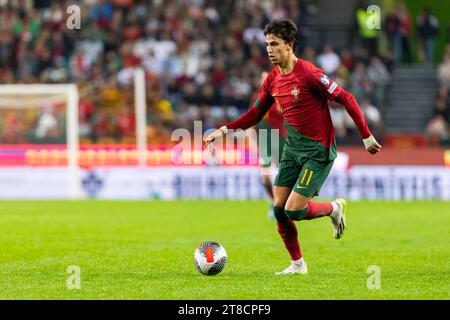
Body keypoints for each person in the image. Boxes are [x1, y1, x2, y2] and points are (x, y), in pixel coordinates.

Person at [204, 19, 381, 275]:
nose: (269, 49)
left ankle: (333, 209)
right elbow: (255, 114)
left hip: (318, 152)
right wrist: (223, 130)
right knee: (279, 210)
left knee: (293, 210)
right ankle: (297, 264)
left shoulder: (310, 74)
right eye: (266, 44)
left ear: (289, 45)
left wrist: (366, 136)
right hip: (292, 150)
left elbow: (346, 98)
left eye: (274, 44)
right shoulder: (273, 79)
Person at [252, 71, 287, 220]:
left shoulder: (280, 97)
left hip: (280, 140)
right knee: (266, 177)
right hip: (265, 141)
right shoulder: (257, 98)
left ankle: (284, 205)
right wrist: (253, 141)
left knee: (285, 177)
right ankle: (273, 202)